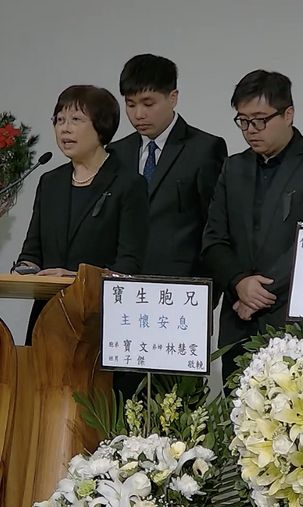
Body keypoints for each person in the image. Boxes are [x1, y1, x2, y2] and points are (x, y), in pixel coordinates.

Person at [201, 69, 303, 386]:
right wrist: (239, 283)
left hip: (295, 323)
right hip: (238, 324)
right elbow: (213, 240)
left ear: (288, 114)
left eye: (259, 120)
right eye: (243, 121)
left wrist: (258, 293)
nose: (250, 130)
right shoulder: (234, 167)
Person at [107, 54, 228, 397]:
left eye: (148, 103)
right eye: (130, 105)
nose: (138, 115)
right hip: (125, 303)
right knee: (122, 405)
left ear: (173, 98)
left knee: (174, 408)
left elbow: (213, 228)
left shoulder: (205, 149)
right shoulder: (116, 153)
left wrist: (207, 299)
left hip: (180, 303)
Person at [13, 85, 149, 344]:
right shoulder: (50, 182)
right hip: (48, 318)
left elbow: (129, 268)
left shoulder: (128, 184)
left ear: (101, 127)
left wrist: (75, 278)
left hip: (99, 321)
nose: (64, 129)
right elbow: (32, 252)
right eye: (59, 120)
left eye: (76, 120)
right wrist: (25, 269)